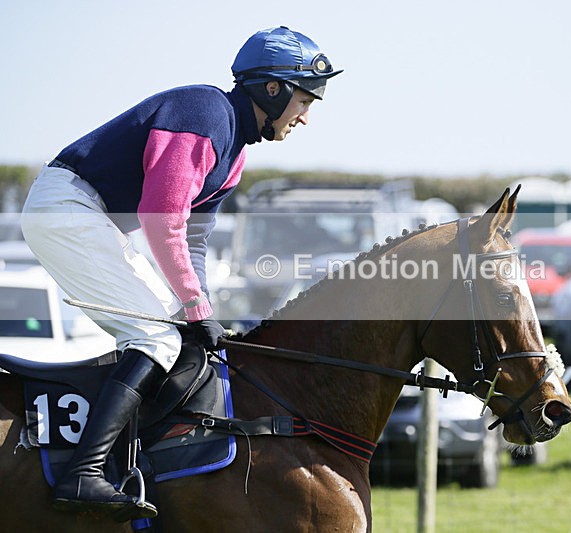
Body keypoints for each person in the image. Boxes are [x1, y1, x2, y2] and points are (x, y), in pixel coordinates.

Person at [20, 26, 341, 521]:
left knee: (175, 336)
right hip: (66, 208)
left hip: (88, 217)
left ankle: (141, 463)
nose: (306, 117)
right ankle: (83, 472)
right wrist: (194, 308)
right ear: (271, 89)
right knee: (156, 338)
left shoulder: (233, 156)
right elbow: (161, 219)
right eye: (305, 99)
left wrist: (202, 312)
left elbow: (192, 242)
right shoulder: (206, 113)